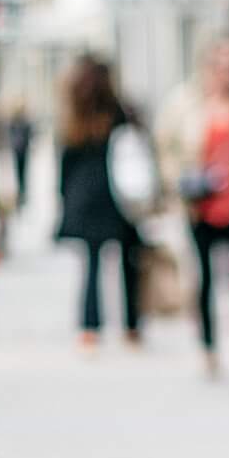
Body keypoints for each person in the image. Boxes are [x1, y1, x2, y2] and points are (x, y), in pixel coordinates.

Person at [156, 36, 229, 375]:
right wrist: (178, 180)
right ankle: (208, 345)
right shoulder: (185, 104)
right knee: (203, 277)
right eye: (221, 66)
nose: (228, 73)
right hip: (200, 205)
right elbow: (166, 147)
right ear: (207, 68)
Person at [55, 55, 146, 349]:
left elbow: (65, 163)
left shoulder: (74, 115)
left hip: (86, 198)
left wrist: (64, 198)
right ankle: (131, 325)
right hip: (118, 196)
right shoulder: (118, 111)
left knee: (92, 264)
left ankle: (90, 327)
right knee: (127, 262)